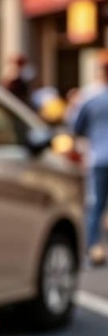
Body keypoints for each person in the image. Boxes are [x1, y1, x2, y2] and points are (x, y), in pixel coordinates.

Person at [73, 52, 108, 267]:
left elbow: (76, 127)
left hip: (98, 158)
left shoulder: (89, 97)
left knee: (95, 206)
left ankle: (94, 246)